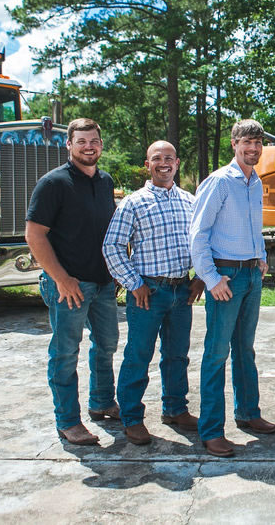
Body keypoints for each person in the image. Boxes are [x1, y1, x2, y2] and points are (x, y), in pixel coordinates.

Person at [103, 141, 205, 446]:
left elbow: (203, 242)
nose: (164, 163)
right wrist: (134, 283)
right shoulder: (133, 203)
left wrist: (199, 276)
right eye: (157, 158)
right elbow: (112, 246)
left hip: (181, 290)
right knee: (138, 355)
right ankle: (132, 418)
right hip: (148, 290)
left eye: (169, 158)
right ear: (147, 164)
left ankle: (175, 410)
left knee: (177, 356)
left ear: (177, 164)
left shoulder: (190, 201)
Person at [26, 117, 118, 446]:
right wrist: (62, 279)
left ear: (101, 145)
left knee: (107, 345)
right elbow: (34, 235)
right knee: (65, 353)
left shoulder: (105, 182)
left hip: (103, 283)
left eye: (93, 141)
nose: (88, 146)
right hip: (69, 286)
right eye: (81, 141)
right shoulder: (53, 184)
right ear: (69, 145)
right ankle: (67, 421)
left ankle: (102, 402)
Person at [190, 119, 275, 458]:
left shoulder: (254, 182)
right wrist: (211, 279)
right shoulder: (219, 182)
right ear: (234, 144)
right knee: (216, 354)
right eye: (247, 142)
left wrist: (262, 256)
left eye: (258, 143)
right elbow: (198, 235)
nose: (253, 148)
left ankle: (248, 413)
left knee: (245, 349)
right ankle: (211, 431)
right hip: (226, 276)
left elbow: (255, 225)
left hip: (251, 275)